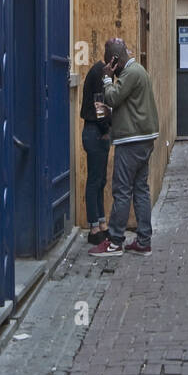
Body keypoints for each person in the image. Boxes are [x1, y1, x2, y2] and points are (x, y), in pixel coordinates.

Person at [88, 38, 159, 256]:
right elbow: (129, 105)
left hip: (131, 140)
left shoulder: (130, 73)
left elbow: (112, 97)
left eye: (109, 63)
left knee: (122, 191)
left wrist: (107, 79)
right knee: (140, 190)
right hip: (143, 138)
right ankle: (143, 240)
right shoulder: (138, 70)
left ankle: (115, 241)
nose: (109, 68)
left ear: (114, 60)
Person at [80, 58, 112, 241]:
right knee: (95, 181)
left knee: (99, 180)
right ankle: (94, 228)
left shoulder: (101, 71)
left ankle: (101, 223)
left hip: (94, 130)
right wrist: (105, 129)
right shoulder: (101, 73)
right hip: (95, 132)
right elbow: (99, 105)